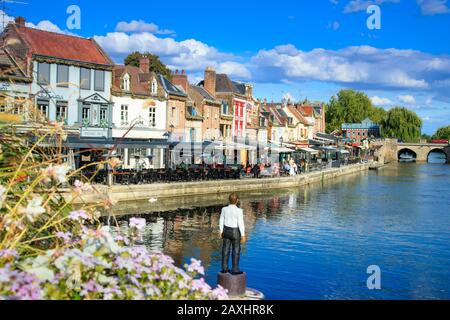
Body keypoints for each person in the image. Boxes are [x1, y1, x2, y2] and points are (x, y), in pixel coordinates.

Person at [220, 193, 247, 275]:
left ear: (229, 200)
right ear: (237, 200)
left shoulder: (224, 209)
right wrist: (243, 235)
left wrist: (221, 231)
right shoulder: (239, 210)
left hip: (226, 230)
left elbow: (221, 220)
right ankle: (235, 269)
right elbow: (240, 223)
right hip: (235, 232)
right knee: (236, 250)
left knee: (225, 249)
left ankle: (224, 268)